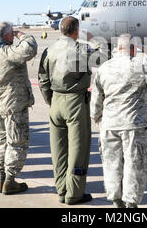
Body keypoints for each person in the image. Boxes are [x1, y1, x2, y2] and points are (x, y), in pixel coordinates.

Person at [90, 34, 147, 208]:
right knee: (135, 164)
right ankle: (131, 203)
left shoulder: (104, 68)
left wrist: (97, 117)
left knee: (111, 163)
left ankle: (115, 200)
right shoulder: (139, 65)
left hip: (109, 124)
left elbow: (96, 99)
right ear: (134, 49)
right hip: (134, 124)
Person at [38, 17, 106, 205]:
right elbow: (104, 56)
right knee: (78, 149)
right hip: (75, 101)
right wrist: (93, 38)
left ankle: (61, 190)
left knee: (58, 151)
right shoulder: (81, 50)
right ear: (76, 31)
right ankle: (74, 193)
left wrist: (51, 100)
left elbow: (43, 79)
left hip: (56, 102)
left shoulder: (49, 50)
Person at [0, 22, 37, 195]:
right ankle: (10, 181)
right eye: (11, 34)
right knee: (17, 144)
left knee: (1, 142)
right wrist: (22, 35)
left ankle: (1, 178)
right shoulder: (7, 52)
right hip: (14, 107)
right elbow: (29, 48)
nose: (13, 36)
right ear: (6, 35)